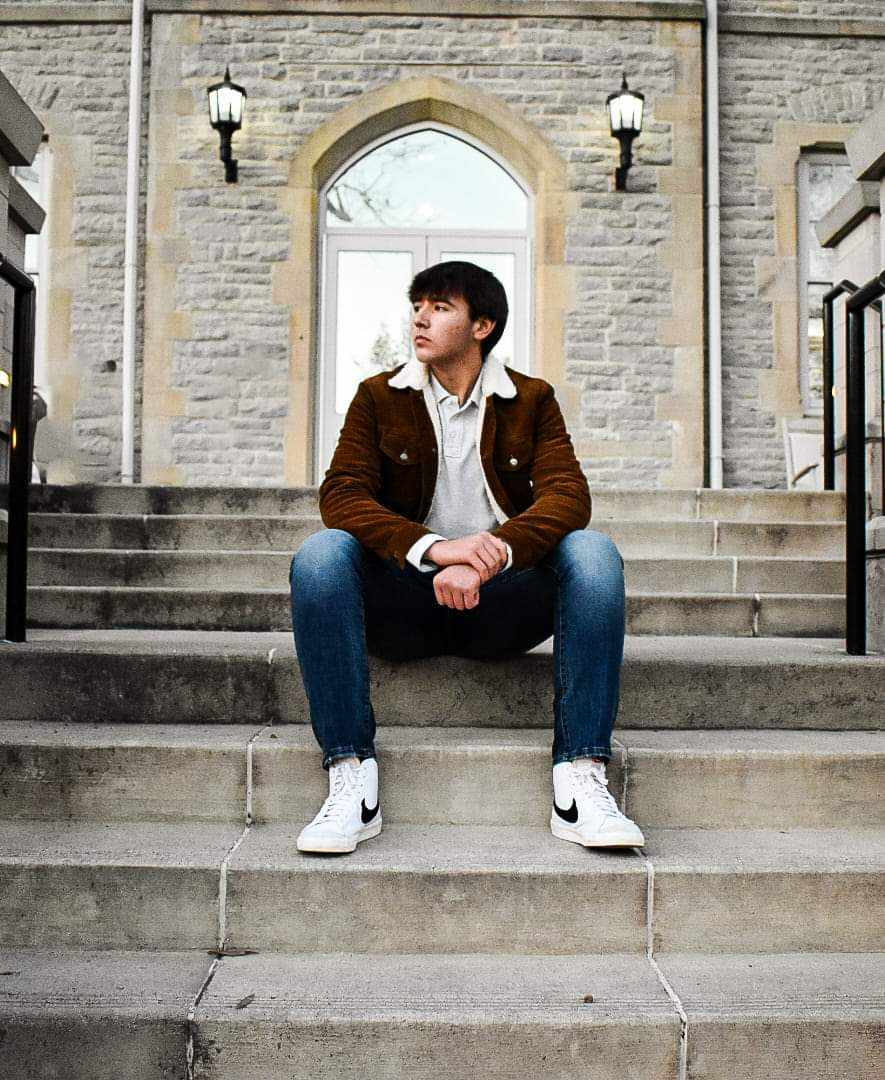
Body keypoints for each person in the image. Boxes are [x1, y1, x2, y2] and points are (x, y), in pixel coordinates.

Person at [289, 260, 644, 854]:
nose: (420, 319)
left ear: (482, 326)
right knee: (321, 555)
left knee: (593, 552)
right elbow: (342, 495)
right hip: (403, 605)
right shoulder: (378, 396)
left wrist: (490, 555)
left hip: (498, 608)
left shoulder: (531, 399)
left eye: (439, 307)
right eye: (417, 306)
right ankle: (352, 777)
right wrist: (435, 549)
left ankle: (580, 777)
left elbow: (568, 497)